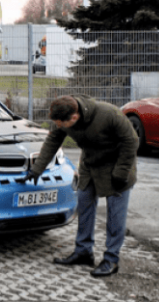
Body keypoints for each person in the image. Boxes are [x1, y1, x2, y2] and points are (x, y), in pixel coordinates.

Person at [25, 95, 138, 277]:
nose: (58, 126)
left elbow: (131, 140)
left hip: (116, 167)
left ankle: (111, 259)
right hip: (90, 165)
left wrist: (121, 172)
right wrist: (37, 169)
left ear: (74, 117)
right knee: (84, 206)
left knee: (115, 215)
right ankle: (83, 251)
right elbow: (53, 141)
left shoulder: (108, 114)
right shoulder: (63, 117)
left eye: (61, 124)